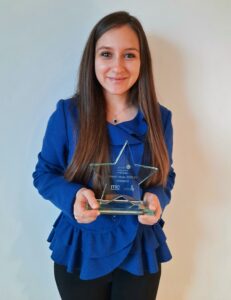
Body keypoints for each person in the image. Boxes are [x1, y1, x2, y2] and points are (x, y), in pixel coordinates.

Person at [32, 11, 176, 300]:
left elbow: (166, 175)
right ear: (93, 59)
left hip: (139, 249)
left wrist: (157, 199)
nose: (117, 66)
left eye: (130, 55)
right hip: (81, 247)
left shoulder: (160, 118)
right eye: (107, 54)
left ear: (142, 61)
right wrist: (73, 197)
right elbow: (44, 174)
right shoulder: (67, 114)